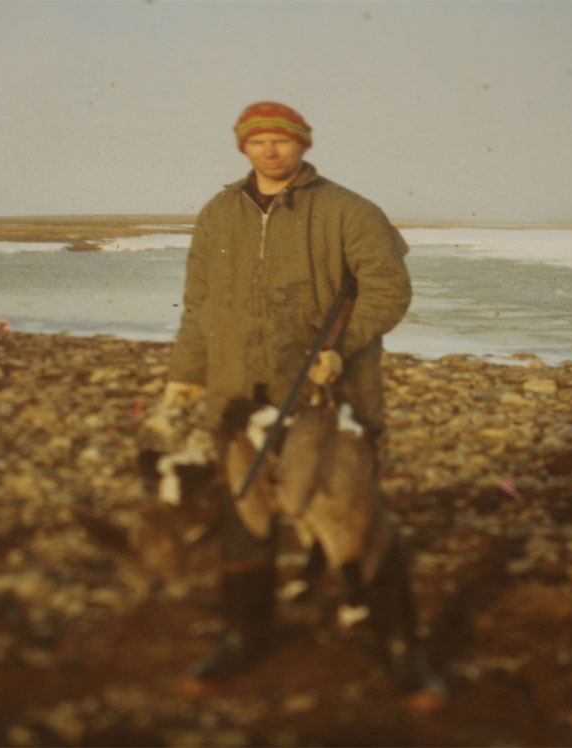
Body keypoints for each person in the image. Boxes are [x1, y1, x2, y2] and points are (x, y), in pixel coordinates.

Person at [163, 101, 441, 704]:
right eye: (258, 142)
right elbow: (199, 303)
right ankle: (246, 637)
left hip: (327, 395)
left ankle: (399, 649)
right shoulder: (217, 215)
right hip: (238, 394)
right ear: (242, 148)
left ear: (304, 146)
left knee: (357, 520)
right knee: (245, 522)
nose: (271, 151)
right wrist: (186, 374)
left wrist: (343, 345)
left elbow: (390, 290)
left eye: (283, 142)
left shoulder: (349, 211)